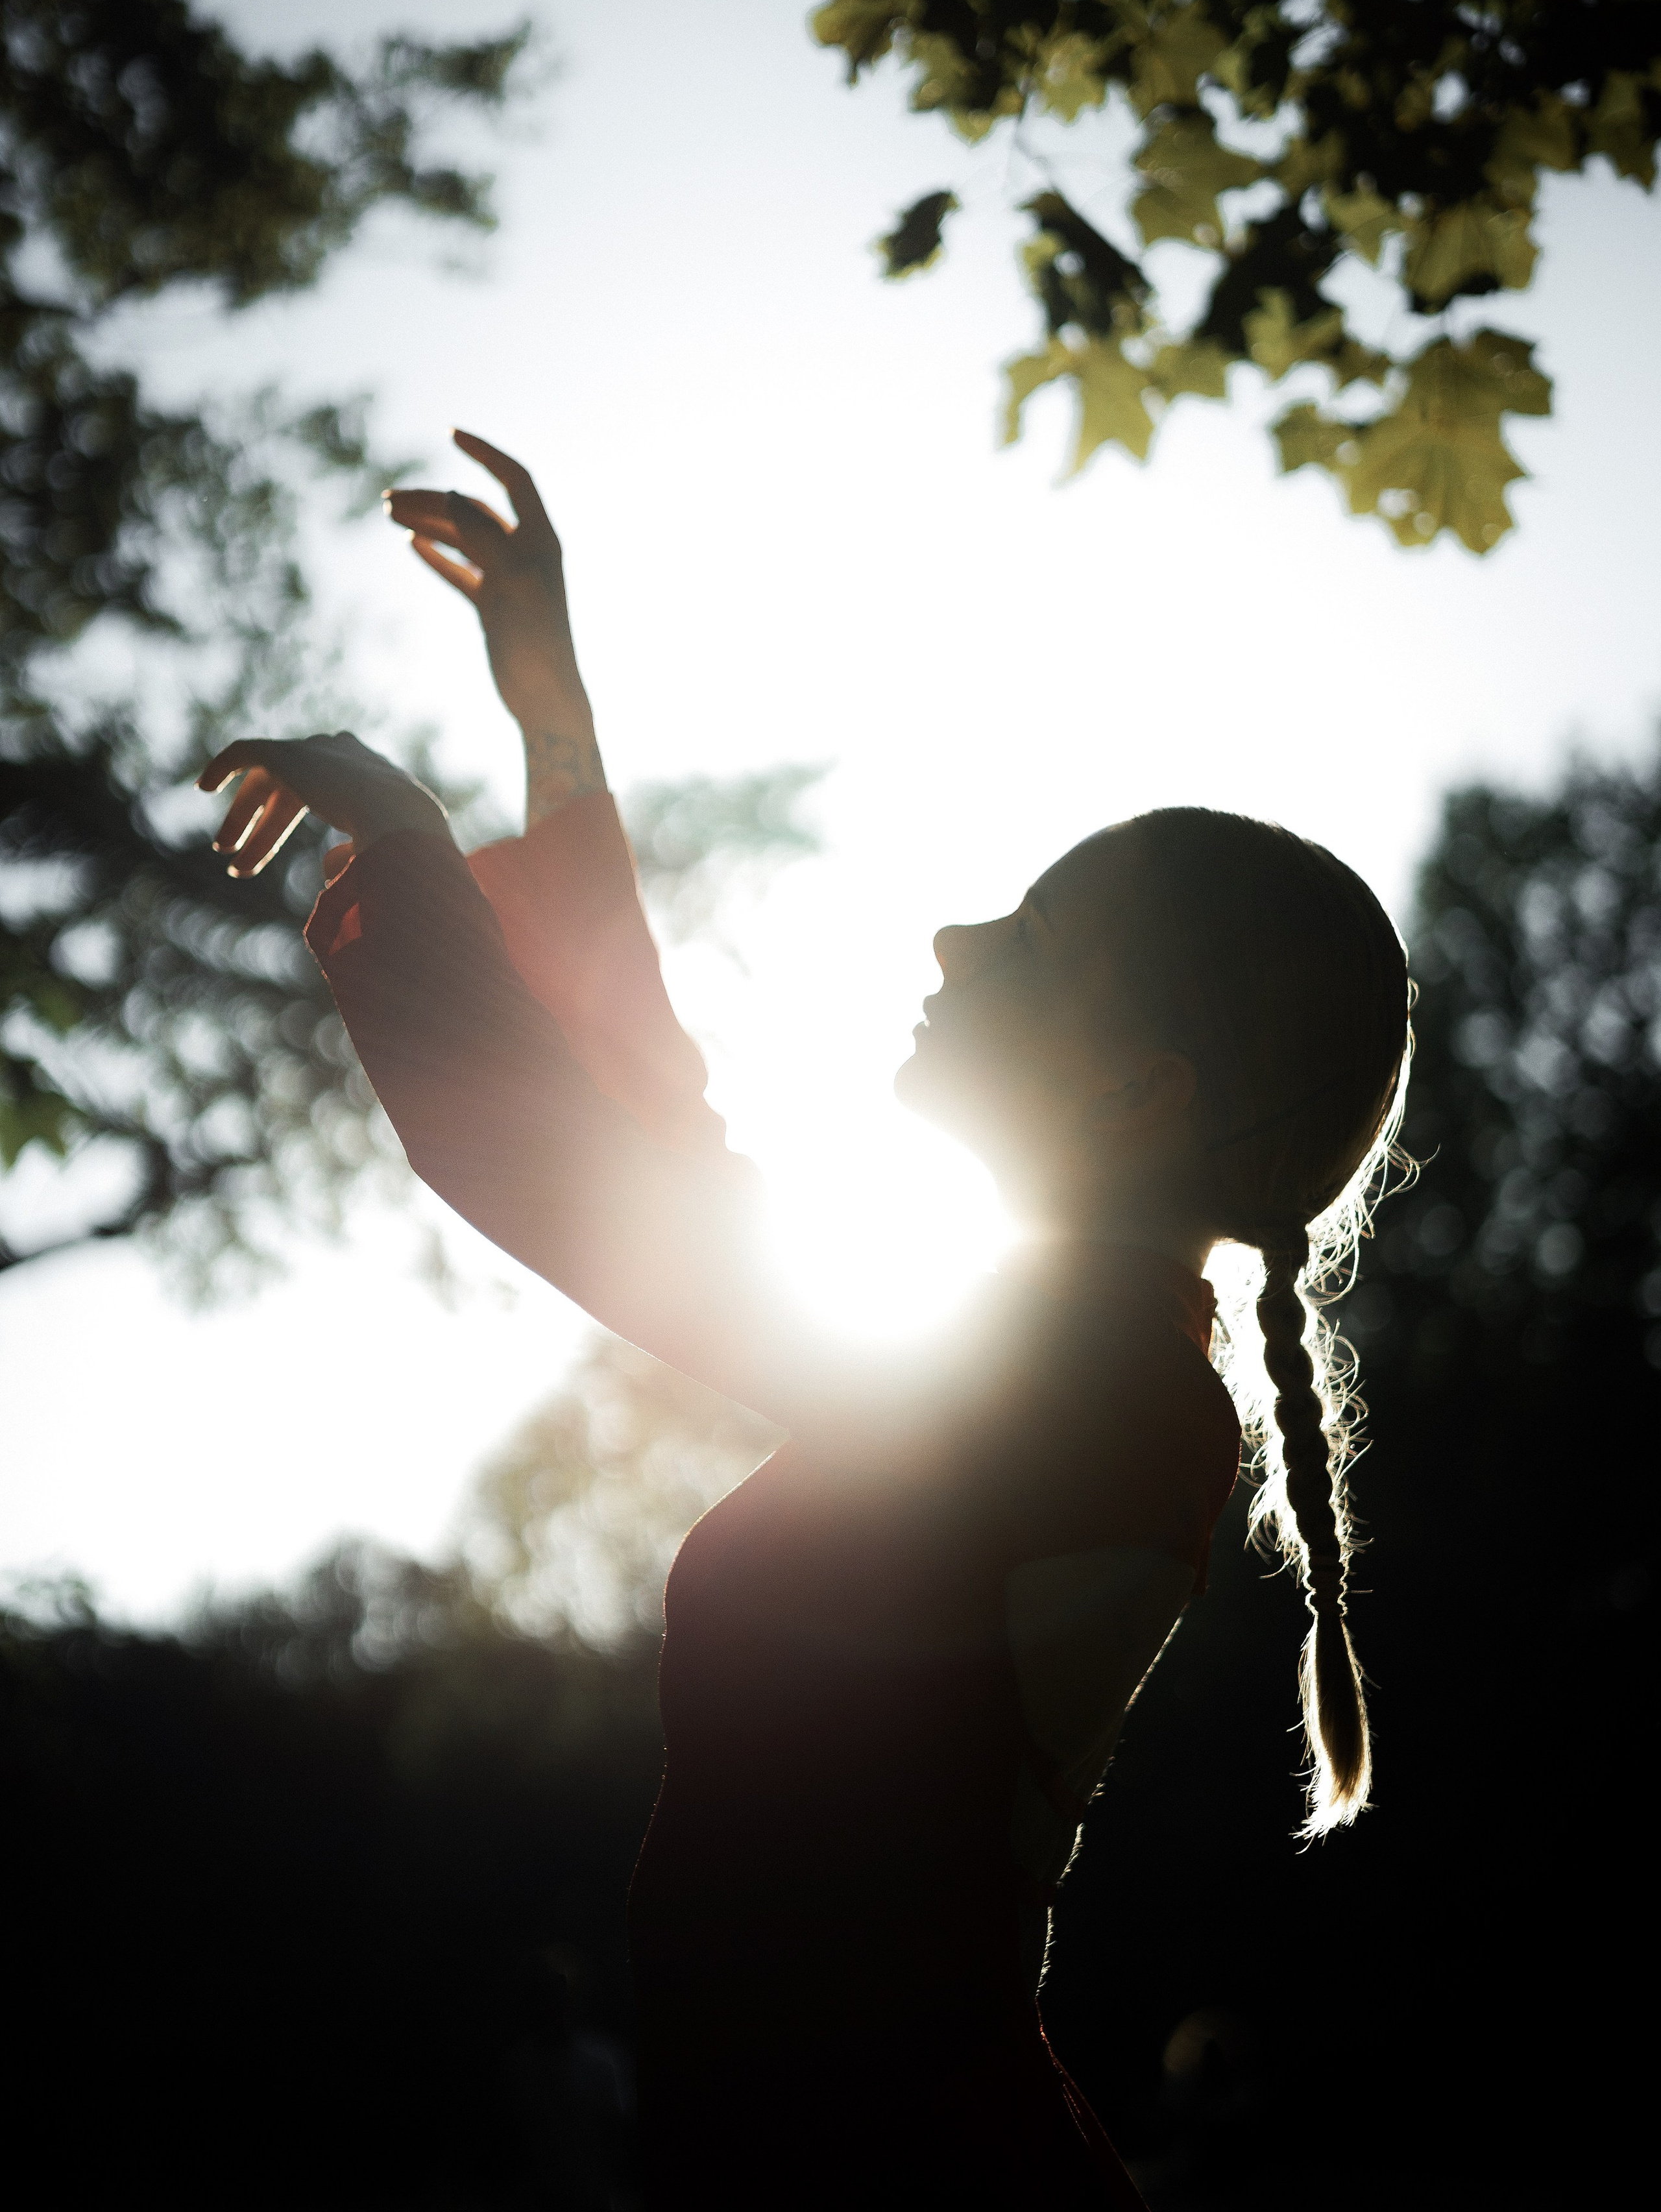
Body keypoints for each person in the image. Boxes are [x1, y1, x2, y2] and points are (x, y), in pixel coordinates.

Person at [199, 433, 1410, 2208]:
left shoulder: (1100, 1390)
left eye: (1034, 937)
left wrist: (410, 845)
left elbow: (616, 1196)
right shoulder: (1072, 1361)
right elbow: (659, 1161)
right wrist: (553, 728)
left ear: (1143, 1095)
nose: (947, 939)